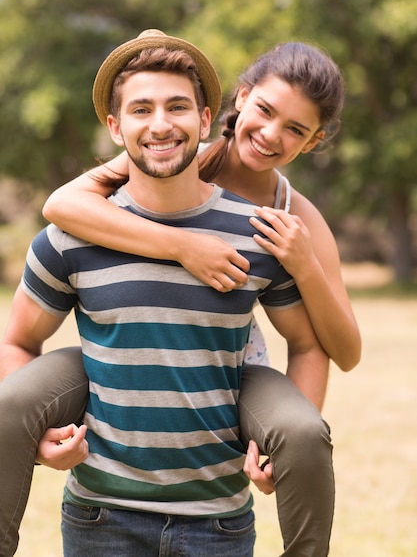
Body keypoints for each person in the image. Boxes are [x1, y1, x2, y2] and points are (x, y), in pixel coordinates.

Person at [0, 30, 359, 557]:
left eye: (295, 129)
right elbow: (61, 207)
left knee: (301, 430)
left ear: (313, 141)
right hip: (117, 373)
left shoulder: (286, 222)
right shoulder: (165, 147)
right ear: (241, 100)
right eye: (265, 110)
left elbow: (334, 349)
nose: (270, 134)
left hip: (229, 366)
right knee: (13, 400)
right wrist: (184, 247)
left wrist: (303, 264)